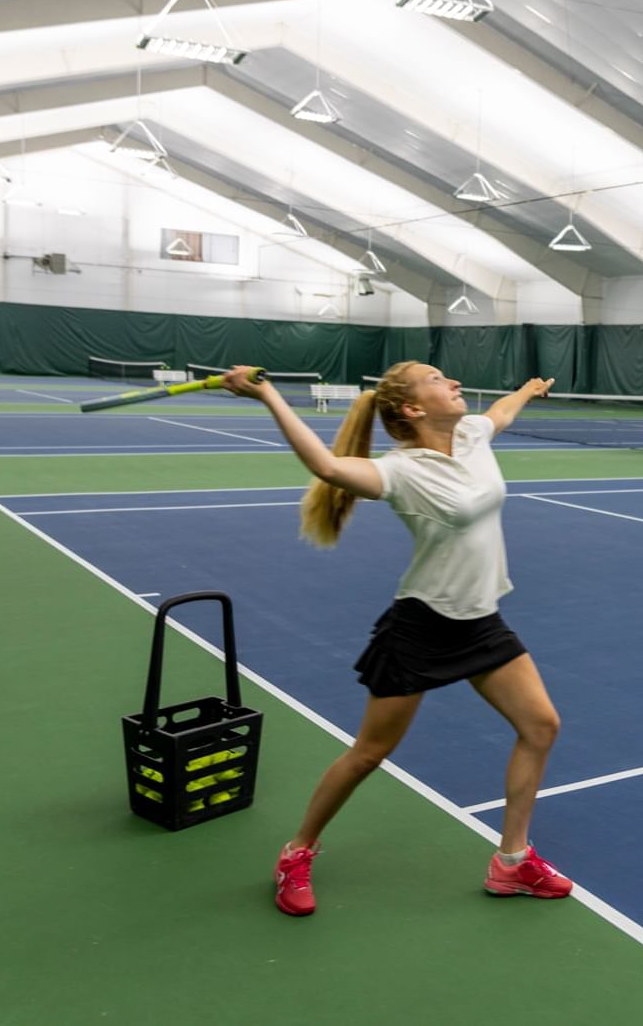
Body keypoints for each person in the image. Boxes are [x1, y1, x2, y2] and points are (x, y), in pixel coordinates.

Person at [221, 361, 572, 917]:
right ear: (412, 408)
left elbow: (502, 413)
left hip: (480, 620)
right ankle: (296, 852)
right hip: (423, 627)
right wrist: (268, 396)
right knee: (369, 753)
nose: (454, 383)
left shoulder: (472, 434)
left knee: (541, 726)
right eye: (437, 380)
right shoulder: (400, 471)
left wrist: (528, 389)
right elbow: (326, 466)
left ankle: (511, 862)